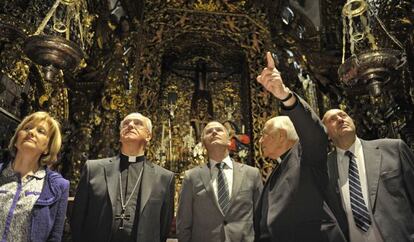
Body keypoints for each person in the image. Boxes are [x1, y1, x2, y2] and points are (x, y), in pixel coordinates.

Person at [254, 52, 345, 242]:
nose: (260, 141)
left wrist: (285, 96)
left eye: (264, 134)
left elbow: (315, 133)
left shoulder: (306, 155)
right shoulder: (274, 172)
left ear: (281, 135)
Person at [71, 112, 175, 242]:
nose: (130, 125)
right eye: (126, 123)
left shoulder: (164, 178)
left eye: (138, 123)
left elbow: (163, 226)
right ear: (120, 136)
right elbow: (78, 217)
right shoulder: (94, 169)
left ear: (148, 136)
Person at [322, 108, 414, 241]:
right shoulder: (323, 170)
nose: (340, 119)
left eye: (343, 115)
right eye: (333, 119)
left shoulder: (393, 149)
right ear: (326, 133)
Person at [176, 121, 263, 242]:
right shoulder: (191, 177)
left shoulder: (252, 174)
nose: (214, 132)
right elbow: (184, 223)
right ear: (203, 143)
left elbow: (261, 218)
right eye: (208, 131)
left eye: (219, 130)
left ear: (229, 140)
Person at [0, 111, 69, 242]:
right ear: (16, 140)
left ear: (47, 148)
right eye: (27, 128)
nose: (31, 132)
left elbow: (54, 237)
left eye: (41, 131)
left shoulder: (58, 186)